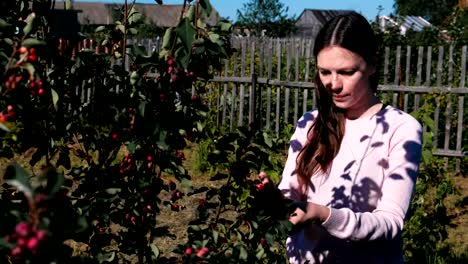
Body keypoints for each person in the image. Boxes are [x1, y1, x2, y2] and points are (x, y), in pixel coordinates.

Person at [260, 11, 422, 263]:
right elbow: (291, 197)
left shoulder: (400, 128)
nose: (333, 84)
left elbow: (389, 222)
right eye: (324, 72)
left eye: (346, 72)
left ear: (372, 65)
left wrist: (323, 214)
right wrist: (274, 201)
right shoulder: (310, 123)